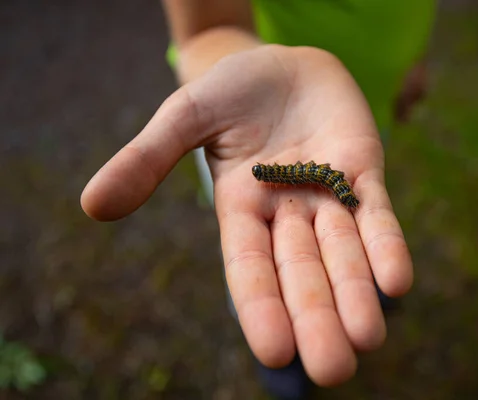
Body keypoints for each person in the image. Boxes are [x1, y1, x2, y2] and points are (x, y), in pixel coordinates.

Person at [80, 1, 436, 398]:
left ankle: (361, 284)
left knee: (354, 241)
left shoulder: (343, 164)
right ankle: (283, 356)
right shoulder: (266, 169)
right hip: (250, 128)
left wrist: (412, 58)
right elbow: (205, 30)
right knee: (266, 263)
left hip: (354, 129)